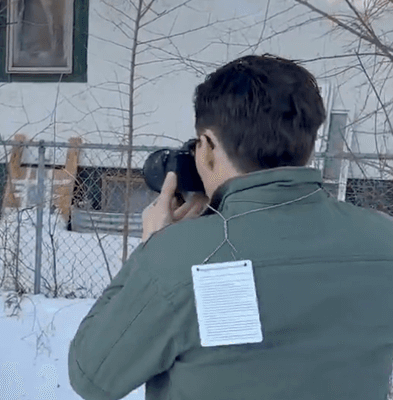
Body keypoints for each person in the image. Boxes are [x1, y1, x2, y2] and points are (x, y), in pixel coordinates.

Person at [68, 54, 393, 400]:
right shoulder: (383, 241)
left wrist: (152, 248)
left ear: (206, 147)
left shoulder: (176, 257)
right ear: (309, 144)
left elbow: (92, 377)